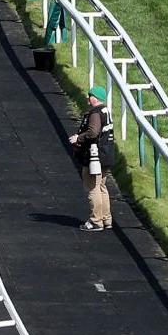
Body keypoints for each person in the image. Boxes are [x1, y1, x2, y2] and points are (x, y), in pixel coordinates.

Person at [67, 88, 113, 231]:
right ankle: (106, 219)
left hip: (94, 157)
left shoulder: (95, 113)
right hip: (106, 155)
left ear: (95, 97)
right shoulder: (105, 110)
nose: (88, 98)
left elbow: (93, 132)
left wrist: (78, 138)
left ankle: (95, 221)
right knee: (102, 187)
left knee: (93, 187)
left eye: (90, 96)